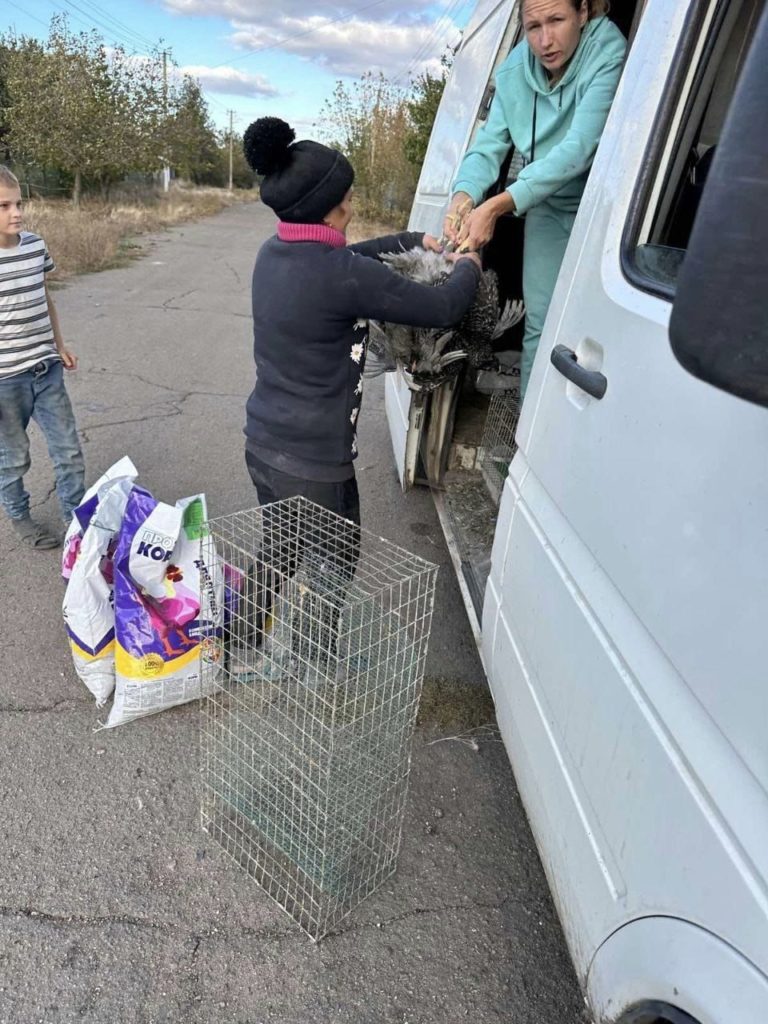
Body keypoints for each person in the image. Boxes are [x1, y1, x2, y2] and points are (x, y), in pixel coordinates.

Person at [239, 117, 481, 663]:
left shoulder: (273, 254)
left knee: (280, 545)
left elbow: (350, 259)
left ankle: (239, 636)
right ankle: (312, 658)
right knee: (335, 557)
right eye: (346, 199)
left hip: (264, 443)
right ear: (328, 207)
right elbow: (443, 307)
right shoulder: (341, 276)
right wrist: (469, 263)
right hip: (316, 461)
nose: (351, 206)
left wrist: (407, 241)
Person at [443, 0, 627, 395]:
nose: (545, 40)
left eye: (557, 20)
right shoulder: (512, 72)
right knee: (540, 323)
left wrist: (496, 205)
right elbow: (487, 148)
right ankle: (527, 426)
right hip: (548, 207)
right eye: (533, 26)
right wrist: (463, 197)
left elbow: (579, 147)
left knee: (600, 330)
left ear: (583, 12)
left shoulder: (608, 48)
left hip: (606, 209)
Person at [0, 165, 85, 549]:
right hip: (5, 381)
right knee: (13, 458)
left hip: (46, 368)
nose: (16, 213)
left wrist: (60, 344)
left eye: (18, 203)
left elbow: (44, 297)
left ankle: (75, 522)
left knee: (68, 450)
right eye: (3, 206)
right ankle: (20, 517)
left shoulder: (35, 246)